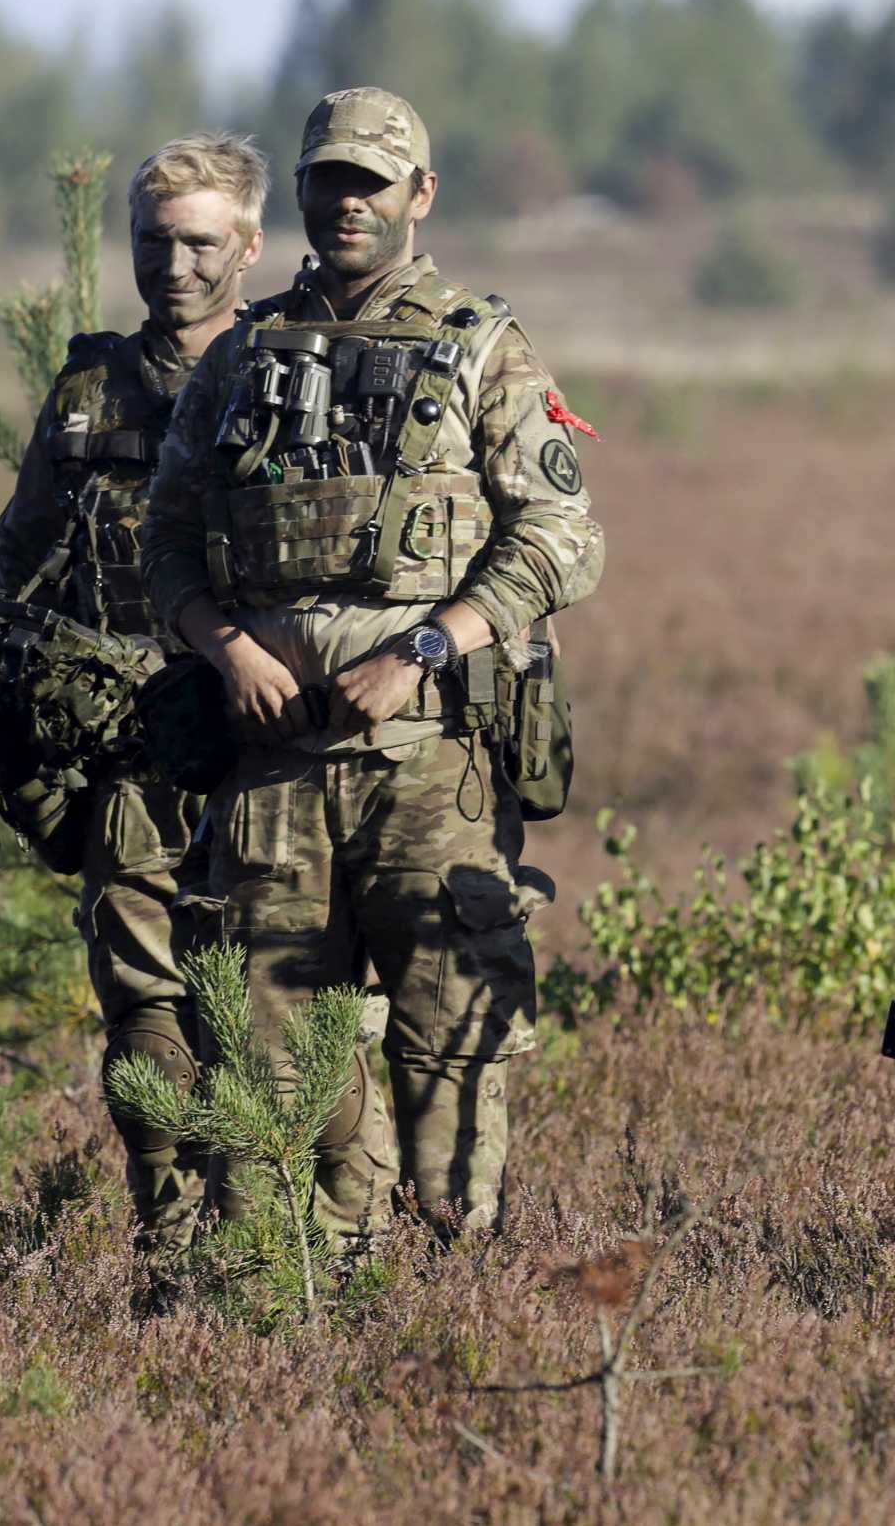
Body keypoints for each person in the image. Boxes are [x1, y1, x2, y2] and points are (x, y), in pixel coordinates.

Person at [0, 132, 389, 1250]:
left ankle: (323, 1247)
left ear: (252, 245)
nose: (173, 267)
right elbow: (22, 555)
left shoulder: (300, 370)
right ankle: (177, 1244)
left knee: (286, 1012)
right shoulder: (88, 387)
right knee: (144, 1013)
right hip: (124, 753)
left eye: (199, 244)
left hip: (267, 752)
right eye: (152, 242)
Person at [142, 87, 604, 1243]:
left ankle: (454, 1308)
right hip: (271, 779)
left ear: (419, 195)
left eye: (371, 183)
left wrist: (427, 647)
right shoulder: (243, 354)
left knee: (450, 1050)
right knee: (271, 1074)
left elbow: (561, 538)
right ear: (298, 194)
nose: (348, 203)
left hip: (426, 769)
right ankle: (304, 1321)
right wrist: (224, 643)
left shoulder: (483, 347)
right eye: (328, 181)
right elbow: (161, 541)